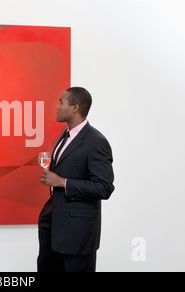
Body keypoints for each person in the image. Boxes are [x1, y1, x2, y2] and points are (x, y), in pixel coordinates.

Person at [38, 87, 114, 272]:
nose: (57, 106)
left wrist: (63, 182)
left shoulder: (96, 142)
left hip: (77, 234)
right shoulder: (65, 136)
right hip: (53, 227)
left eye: (61, 102)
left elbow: (104, 188)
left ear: (75, 107)